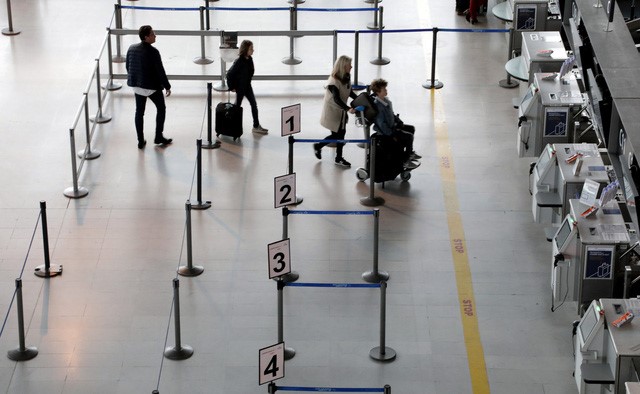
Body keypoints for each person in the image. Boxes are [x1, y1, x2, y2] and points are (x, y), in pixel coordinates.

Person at [126, 25, 173, 149]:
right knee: (161, 108)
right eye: (152, 34)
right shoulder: (153, 52)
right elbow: (160, 71)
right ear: (146, 37)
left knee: (139, 113)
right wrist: (167, 86)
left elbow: (128, 66)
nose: (155, 35)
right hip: (151, 87)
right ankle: (158, 136)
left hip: (137, 86)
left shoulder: (131, 48)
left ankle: (140, 141)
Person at [315, 55, 357, 168]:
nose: (351, 66)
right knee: (338, 135)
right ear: (343, 66)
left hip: (341, 110)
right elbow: (336, 99)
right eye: (349, 65)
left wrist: (360, 99)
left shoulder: (346, 76)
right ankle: (324, 149)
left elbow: (350, 92)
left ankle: (334, 155)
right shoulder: (333, 81)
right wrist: (348, 108)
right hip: (333, 111)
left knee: (340, 134)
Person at [369, 78, 421, 169]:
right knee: (409, 136)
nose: (386, 90)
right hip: (388, 132)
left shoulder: (385, 100)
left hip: (393, 126)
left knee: (411, 128)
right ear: (378, 92)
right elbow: (382, 124)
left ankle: (410, 152)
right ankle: (406, 160)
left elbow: (391, 114)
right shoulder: (378, 106)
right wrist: (392, 134)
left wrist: (398, 120)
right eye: (384, 89)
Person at [229, 40, 268, 134]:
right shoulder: (239, 61)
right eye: (251, 48)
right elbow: (230, 74)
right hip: (240, 88)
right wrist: (232, 87)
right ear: (246, 49)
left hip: (247, 86)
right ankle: (231, 126)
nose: (253, 50)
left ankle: (256, 126)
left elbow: (250, 72)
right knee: (237, 107)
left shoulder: (249, 59)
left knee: (253, 104)